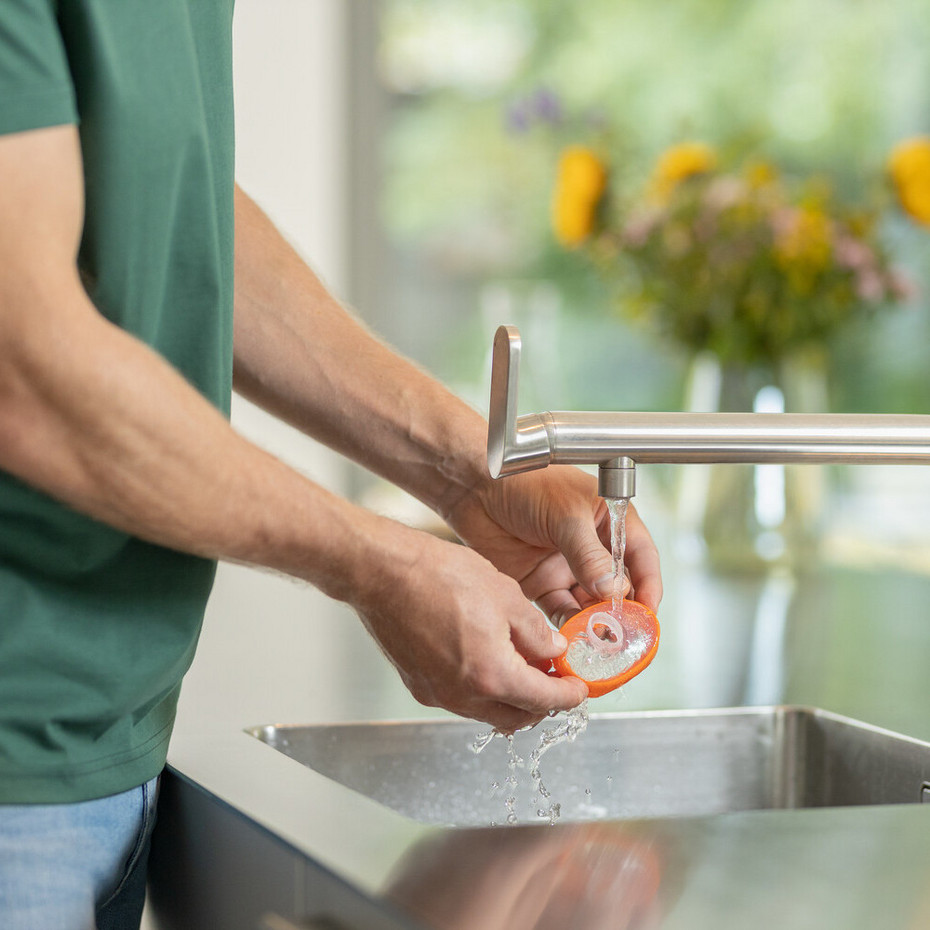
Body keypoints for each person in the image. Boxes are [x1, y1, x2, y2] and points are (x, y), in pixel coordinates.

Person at [0, 3, 662, 928]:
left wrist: (470, 474)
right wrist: (377, 563)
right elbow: (26, 373)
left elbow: (164, 200)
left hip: (109, 739)